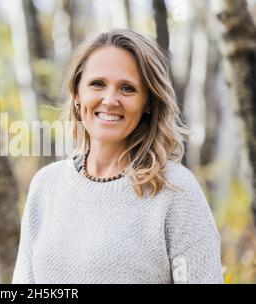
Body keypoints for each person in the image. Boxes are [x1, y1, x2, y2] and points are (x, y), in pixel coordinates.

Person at [12, 29, 223, 284]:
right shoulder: (46, 185)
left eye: (127, 88)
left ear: (148, 103)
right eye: (97, 84)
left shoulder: (176, 191)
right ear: (77, 94)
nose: (110, 100)